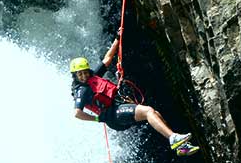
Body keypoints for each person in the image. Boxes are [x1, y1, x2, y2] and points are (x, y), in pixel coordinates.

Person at [70, 38, 199, 156]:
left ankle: (181, 147)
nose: (83, 76)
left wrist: (117, 38)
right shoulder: (82, 90)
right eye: (79, 74)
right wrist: (98, 119)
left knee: (155, 114)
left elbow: (107, 58)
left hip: (118, 106)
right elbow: (77, 113)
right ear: (75, 76)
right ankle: (173, 138)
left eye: (85, 73)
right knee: (148, 111)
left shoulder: (93, 77)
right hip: (113, 115)